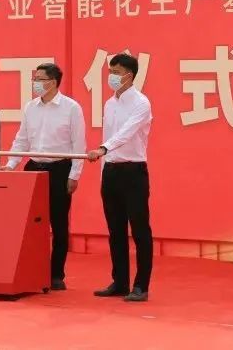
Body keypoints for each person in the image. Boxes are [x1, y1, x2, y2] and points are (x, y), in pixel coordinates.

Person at [1, 63, 86, 290]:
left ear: (53, 82)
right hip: (33, 169)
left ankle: (56, 274)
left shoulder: (71, 108)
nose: (35, 83)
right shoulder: (30, 107)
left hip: (59, 169)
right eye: (35, 78)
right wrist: (10, 164)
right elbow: (21, 140)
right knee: (30, 224)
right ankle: (32, 271)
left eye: (40, 79)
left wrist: (74, 174)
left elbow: (79, 145)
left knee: (58, 224)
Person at [87, 53, 153, 302]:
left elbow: (126, 133)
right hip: (111, 170)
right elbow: (109, 134)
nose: (112, 77)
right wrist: (104, 167)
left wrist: (103, 148)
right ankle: (120, 282)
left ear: (129, 75)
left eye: (116, 72)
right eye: (110, 72)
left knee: (139, 230)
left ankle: (141, 286)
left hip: (133, 172)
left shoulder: (141, 103)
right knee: (115, 230)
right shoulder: (109, 103)